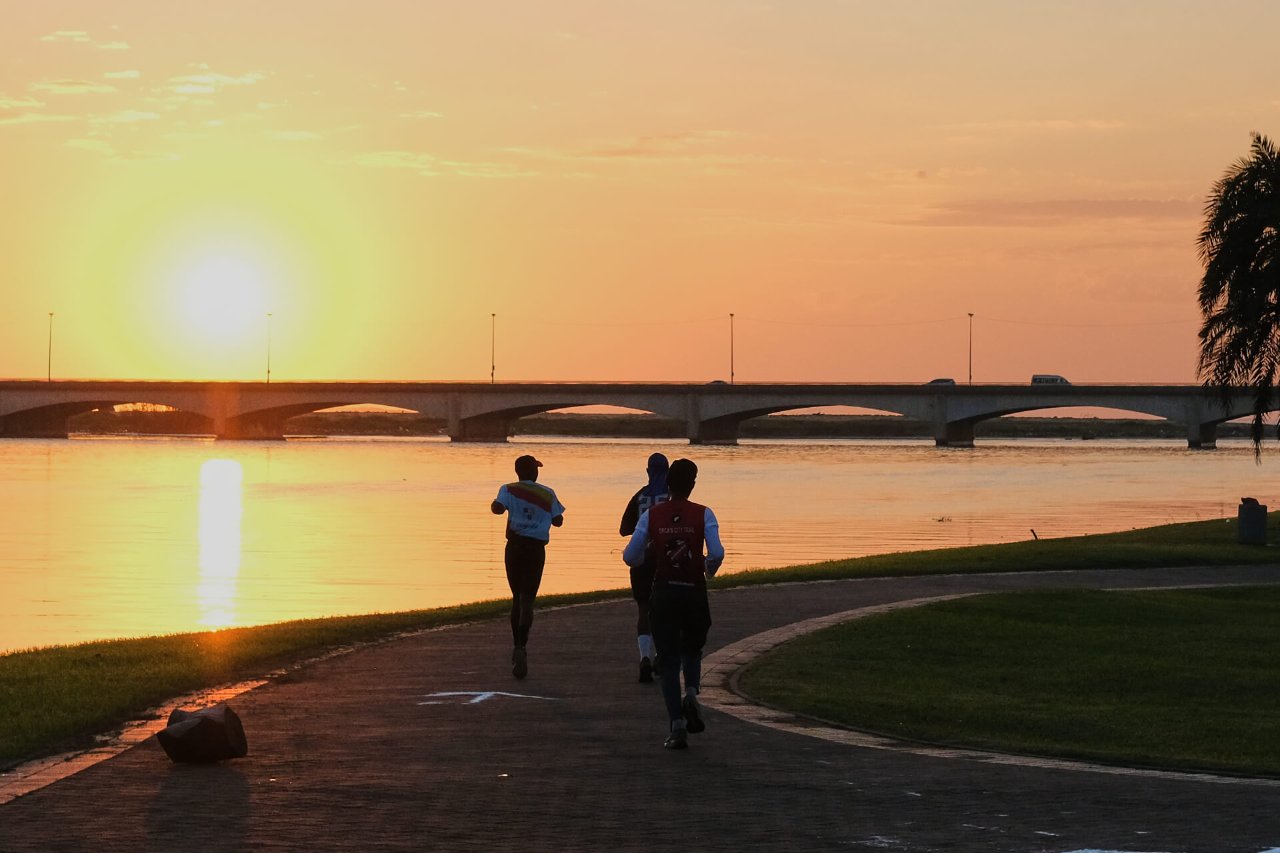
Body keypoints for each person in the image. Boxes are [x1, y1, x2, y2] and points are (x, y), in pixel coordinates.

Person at [622, 458, 724, 749]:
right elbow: (716, 552)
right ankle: (691, 693)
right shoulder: (704, 514)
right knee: (692, 648)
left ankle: (676, 726)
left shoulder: (652, 515)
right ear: (692, 484)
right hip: (694, 592)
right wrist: (708, 568)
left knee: (667, 660)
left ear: (668, 483)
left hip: (664, 592)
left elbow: (630, 557)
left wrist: (650, 554)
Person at [491, 454, 565, 679]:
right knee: (528, 600)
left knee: (516, 597)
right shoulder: (547, 493)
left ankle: (516, 644)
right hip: (535, 549)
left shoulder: (507, 489)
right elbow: (558, 520)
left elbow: (497, 508)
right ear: (534, 472)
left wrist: (507, 508)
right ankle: (523, 644)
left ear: (517, 472)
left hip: (513, 547)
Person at [618, 452, 671, 683]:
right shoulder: (672, 496)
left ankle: (644, 658)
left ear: (648, 472)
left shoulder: (640, 496)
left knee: (643, 608)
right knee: (666, 611)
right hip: (667, 560)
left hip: (641, 560)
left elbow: (623, 529)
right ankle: (662, 655)